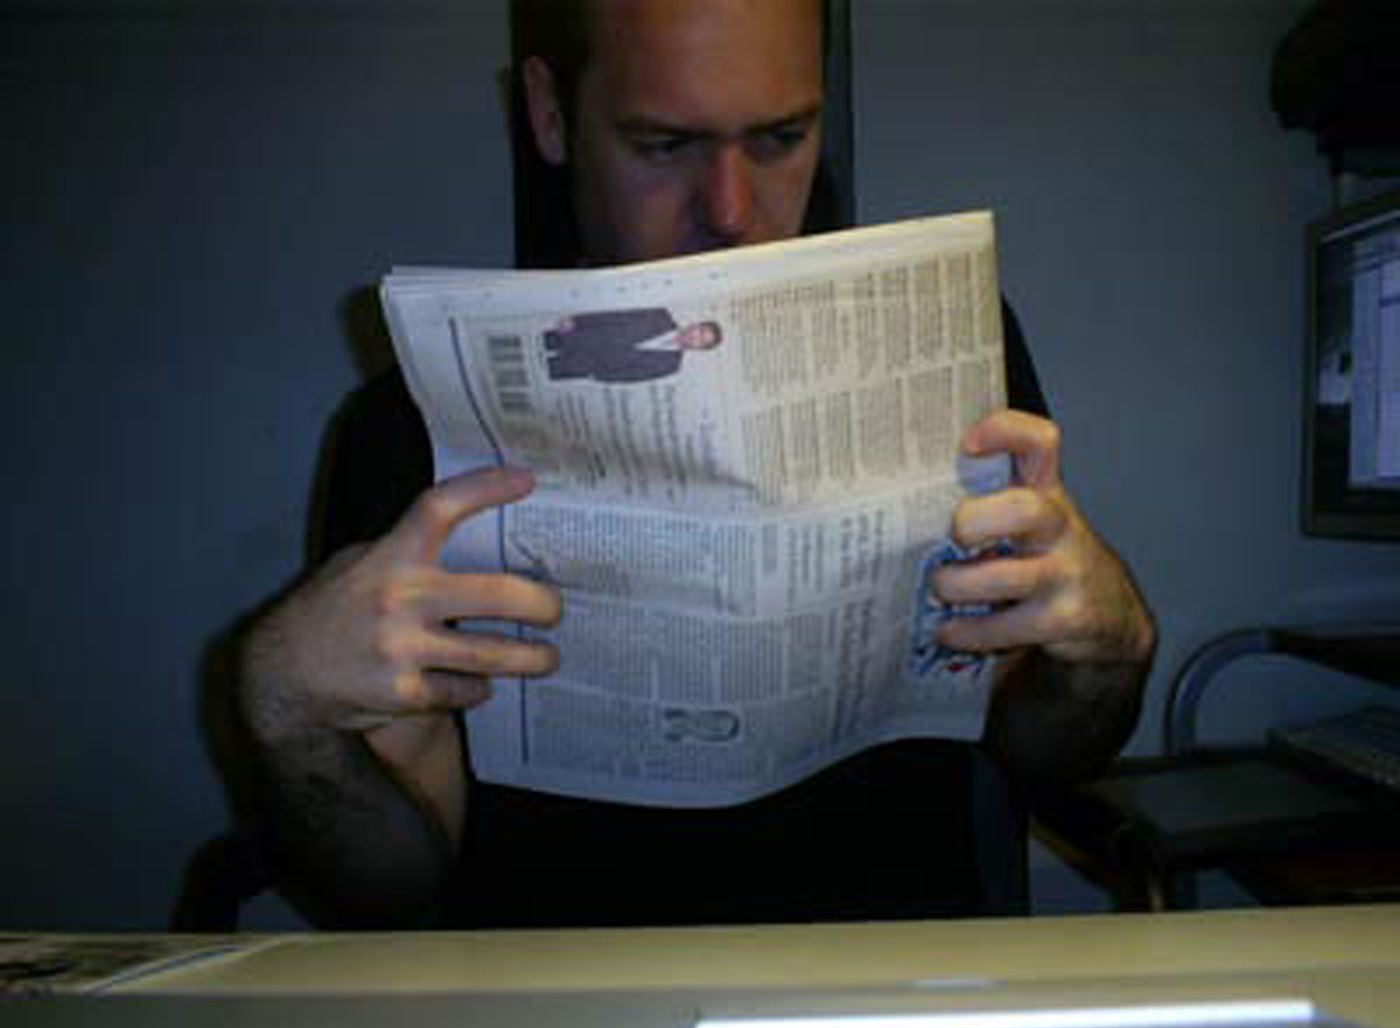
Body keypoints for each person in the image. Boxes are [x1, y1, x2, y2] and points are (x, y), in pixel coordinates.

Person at [236, 0, 1156, 929]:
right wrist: (289, 718)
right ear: (551, 116)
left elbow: (1045, 753)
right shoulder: (408, 425)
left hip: (882, 969)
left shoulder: (949, 352)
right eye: (664, 145)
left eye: (781, 138)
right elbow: (387, 891)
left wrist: (1107, 652)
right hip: (561, 982)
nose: (730, 212)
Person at [543, 309, 722, 382]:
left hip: (588, 365)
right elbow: (615, 316)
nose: (695, 337)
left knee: (543, 372)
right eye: (700, 331)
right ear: (695, 324)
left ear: (699, 349)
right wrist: (577, 321)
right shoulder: (660, 316)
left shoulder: (671, 366)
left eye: (701, 341)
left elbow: (634, 376)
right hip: (581, 335)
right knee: (533, 346)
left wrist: (600, 375)